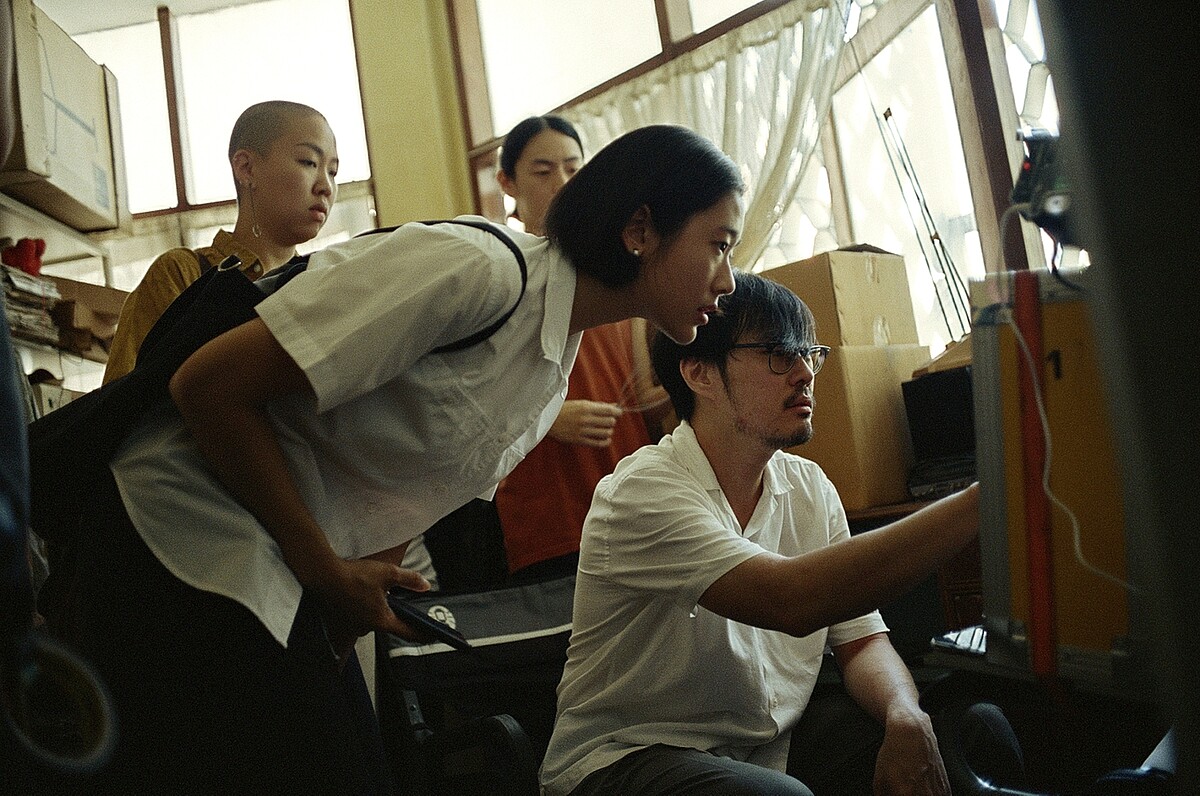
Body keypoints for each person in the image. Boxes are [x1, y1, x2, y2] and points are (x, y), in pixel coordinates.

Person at [69, 124, 744, 794]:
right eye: (718, 245)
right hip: (173, 540)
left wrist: (342, 616)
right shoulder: (476, 270)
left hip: (276, 570)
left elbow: (403, 506)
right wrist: (326, 574)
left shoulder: (546, 380)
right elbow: (206, 387)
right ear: (640, 230)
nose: (728, 280)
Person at [540, 271, 1025, 795]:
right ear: (700, 374)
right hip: (624, 759)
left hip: (769, 747)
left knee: (971, 736)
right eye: (777, 354)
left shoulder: (809, 487)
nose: (804, 373)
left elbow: (861, 640)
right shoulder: (642, 492)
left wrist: (904, 713)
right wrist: (985, 499)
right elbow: (789, 599)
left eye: (809, 353)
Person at [492, 115, 657, 581]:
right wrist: (549, 418)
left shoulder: (621, 268)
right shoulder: (499, 272)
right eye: (543, 171)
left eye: (573, 168)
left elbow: (640, 394)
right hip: (552, 513)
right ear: (508, 183)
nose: (562, 183)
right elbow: (462, 401)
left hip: (634, 502)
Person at [102, 100, 339, 384]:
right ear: (246, 168)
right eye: (309, 162)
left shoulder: (318, 284)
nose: (326, 187)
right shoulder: (183, 274)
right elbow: (124, 399)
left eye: (333, 172)